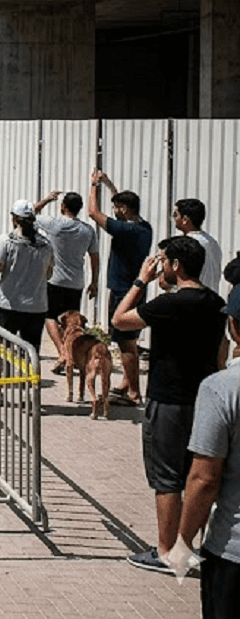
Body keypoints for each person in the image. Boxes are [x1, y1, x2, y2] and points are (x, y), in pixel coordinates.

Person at [110, 236, 227, 574]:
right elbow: (220, 352)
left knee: (167, 477)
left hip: (168, 401)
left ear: (176, 265)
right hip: (205, 399)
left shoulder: (168, 304)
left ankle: (166, 551)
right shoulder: (215, 303)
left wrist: (140, 280)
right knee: (200, 476)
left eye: (163, 261)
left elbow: (120, 320)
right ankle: (191, 547)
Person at [169, 348, 240, 612]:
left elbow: (204, 479)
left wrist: (184, 542)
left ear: (233, 327)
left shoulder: (221, 387)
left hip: (232, 550)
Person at [90, 170, 154, 405]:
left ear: (124, 210)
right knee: (130, 341)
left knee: (125, 342)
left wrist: (94, 185)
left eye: (117, 208)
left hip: (122, 292)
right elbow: (119, 200)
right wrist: (109, 183)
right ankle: (127, 383)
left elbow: (93, 213)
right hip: (135, 290)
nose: (114, 212)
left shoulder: (125, 230)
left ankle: (134, 393)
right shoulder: (144, 227)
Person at [34, 190, 101, 359]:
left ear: (63, 207)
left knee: (49, 317)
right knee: (70, 322)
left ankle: (63, 353)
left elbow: (29, 214)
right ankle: (70, 352)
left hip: (54, 279)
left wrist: (47, 199)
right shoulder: (88, 230)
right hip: (76, 282)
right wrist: (94, 282)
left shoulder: (54, 223)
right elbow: (94, 257)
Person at [0, 199, 54, 349]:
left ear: (15, 219)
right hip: (36, 307)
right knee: (31, 354)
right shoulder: (45, 244)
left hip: (8, 306)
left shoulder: (6, 241)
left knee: (0, 351)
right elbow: (48, 274)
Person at [173, 198, 224, 292]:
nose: (173, 218)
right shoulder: (212, 242)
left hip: (193, 298)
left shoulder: (188, 244)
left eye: (175, 214)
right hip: (211, 297)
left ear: (185, 219)